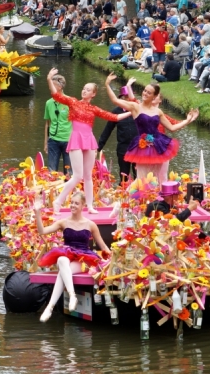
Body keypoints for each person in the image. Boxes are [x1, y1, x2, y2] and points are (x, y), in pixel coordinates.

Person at [47, 68, 130, 213]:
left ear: (93, 94)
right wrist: (49, 79)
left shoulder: (94, 109)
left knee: (88, 176)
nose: (84, 91)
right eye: (84, 88)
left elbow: (114, 117)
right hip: (76, 139)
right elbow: (56, 95)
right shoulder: (73, 102)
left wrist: (133, 111)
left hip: (89, 140)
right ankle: (58, 201)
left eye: (88, 89)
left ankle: (90, 206)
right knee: (77, 175)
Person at [104, 75, 198, 184]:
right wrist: (107, 84)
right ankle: (140, 198)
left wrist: (187, 120)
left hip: (158, 144)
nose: (145, 93)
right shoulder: (135, 107)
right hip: (143, 145)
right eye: (145, 91)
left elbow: (172, 128)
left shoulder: (158, 112)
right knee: (143, 179)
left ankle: (157, 198)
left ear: (154, 96)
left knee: (158, 178)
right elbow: (115, 100)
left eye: (149, 93)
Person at [34, 191, 110, 322]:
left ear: (82, 206)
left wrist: (112, 260)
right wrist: (37, 213)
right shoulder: (63, 222)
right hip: (66, 254)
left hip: (82, 257)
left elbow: (103, 246)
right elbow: (42, 231)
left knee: (62, 273)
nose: (73, 205)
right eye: (72, 203)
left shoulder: (90, 225)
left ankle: (50, 307)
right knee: (61, 260)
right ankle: (72, 295)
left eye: (76, 203)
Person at [97, 85, 138, 182]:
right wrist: (98, 147)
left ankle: (139, 196)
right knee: (124, 177)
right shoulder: (116, 111)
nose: (129, 99)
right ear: (122, 98)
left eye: (130, 96)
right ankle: (123, 194)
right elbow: (108, 129)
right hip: (123, 149)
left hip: (138, 148)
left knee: (139, 177)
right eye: (126, 97)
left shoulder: (137, 109)